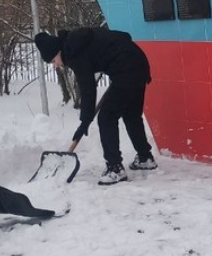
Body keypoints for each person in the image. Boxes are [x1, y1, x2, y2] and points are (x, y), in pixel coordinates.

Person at [34, 27, 154, 184]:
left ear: (56, 52)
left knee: (106, 117)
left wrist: (85, 121)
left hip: (126, 70)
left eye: (52, 61)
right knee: (131, 114)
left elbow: (88, 89)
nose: (55, 65)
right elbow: (124, 36)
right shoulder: (76, 41)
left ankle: (115, 168)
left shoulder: (73, 51)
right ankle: (145, 157)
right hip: (138, 63)